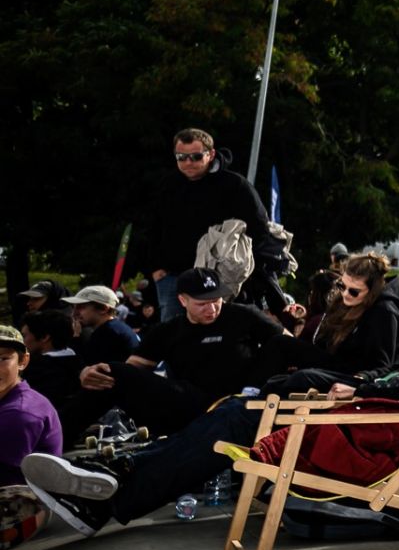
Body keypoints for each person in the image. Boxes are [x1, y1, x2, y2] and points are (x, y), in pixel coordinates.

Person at [26, 280, 399, 539]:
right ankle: (118, 479)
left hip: (365, 424)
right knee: (233, 408)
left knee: (234, 417)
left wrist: (356, 385)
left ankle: (112, 492)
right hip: (356, 407)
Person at [74, 267, 319, 438]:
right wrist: (91, 372)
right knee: (110, 372)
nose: (212, 308)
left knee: (282, 346)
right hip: (191, 400)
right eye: (202, 303)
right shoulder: (169, 330)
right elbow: (132, 369)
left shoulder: (243, 315)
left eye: (216, 300)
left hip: (242, 397)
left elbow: (288, 344)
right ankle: (53, 439)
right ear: (182, 301)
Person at [135, 128, 275, 322]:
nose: (188, 162)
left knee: (221, 332)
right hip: (173, 277)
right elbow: (152, 227)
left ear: (211, 154)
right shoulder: (168, 185)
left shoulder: (234, 185)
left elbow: (259, 228)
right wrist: (156, 268)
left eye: (196, 156)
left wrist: (241, 267)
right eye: (181, 157)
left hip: (218, 277)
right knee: (176, 336)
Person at [263, 255, 399, 395]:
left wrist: (363, 377)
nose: (345, 294)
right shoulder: (346, 301)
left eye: (354, 291)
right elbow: (323, 341)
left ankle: (262, 398)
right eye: (341, 285)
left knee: (303, 378)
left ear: (372, 291)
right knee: (280, 343)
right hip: (338, 361)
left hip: (358, 376)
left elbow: (384, 365)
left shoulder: (384, 312)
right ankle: (253, 389)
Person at [0, 326, 62, 487]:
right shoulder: (10, 397)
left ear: (23, 361)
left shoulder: (19, 413)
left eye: (3, 359)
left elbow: (7, 480)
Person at [18, 312, 83, 413]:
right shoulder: (79, 361)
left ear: (44, 337)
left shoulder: (36, 370)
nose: (21, 341)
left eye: (24, 336)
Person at [62, 284, 140, 365]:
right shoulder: (113, 328)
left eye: (81, 307)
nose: (74, 313)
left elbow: (82, 367)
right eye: (74, 307)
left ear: (103, 309)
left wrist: (76, 337)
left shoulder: (109, 333)